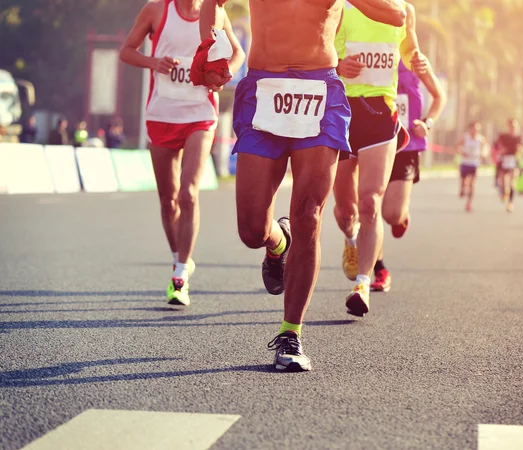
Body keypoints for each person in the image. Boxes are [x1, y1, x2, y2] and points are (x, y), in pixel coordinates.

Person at [195, 0, 407, 371]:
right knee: (250, 230)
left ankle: (291, 333)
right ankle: (279, 241)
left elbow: (396, 14)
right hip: (264, 86)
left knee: (309, 215)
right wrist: (210, 45)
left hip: (320, 90)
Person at [120, 0, 245, 306]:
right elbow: (127, 51)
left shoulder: (215, 11)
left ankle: (179, 275)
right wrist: (154, 62)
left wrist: (223, 72)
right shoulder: (156, 10)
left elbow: (239, 52)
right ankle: (181, 257)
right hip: (162, 114)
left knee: (189, 193)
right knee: (169, 199)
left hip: (200, 113)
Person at [333, 2, 426, 314]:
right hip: (343, 113)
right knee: (346, 211)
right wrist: (339, 65)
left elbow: (409, 51)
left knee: (371, 201)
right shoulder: (340, 6)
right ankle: (351, 238)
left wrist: (419, 62)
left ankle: (362, 283)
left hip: (380, 115)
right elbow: (320, 53)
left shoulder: (402, 9)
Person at [371, 35, 446, 293]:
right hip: (373, 140)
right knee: (371, 207)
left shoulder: (414, 59)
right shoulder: (367, 52)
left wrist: (427, 123)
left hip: (407, 145)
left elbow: (439, 97)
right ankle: (378, 268)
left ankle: (401, 216)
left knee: (391, 214)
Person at [456, 121, 488, 212]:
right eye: (474, 128)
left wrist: (483, 153)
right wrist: (462, 152)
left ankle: (469, 203)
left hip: (474, 163)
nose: (475, 131)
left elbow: (485, 148)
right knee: (463, 181)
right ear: (470, 129)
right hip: (465, 163)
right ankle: (462, 188)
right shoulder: (465, 137)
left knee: (472, 184)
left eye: (477, 129)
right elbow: (457, 146)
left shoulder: (481, 139)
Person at [496, 118, 523, 213]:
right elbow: (497, 146)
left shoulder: (519, 137)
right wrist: (501, 150)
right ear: (508, 126)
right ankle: (504, 193)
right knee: (503, 183)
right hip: (504, 161)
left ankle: (510, 204)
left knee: (512, 183)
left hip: (514, 161)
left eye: (515, 126)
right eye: (511, 126)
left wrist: (520, 150)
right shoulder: (503, 136)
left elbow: (522, 148)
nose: (513, 128)